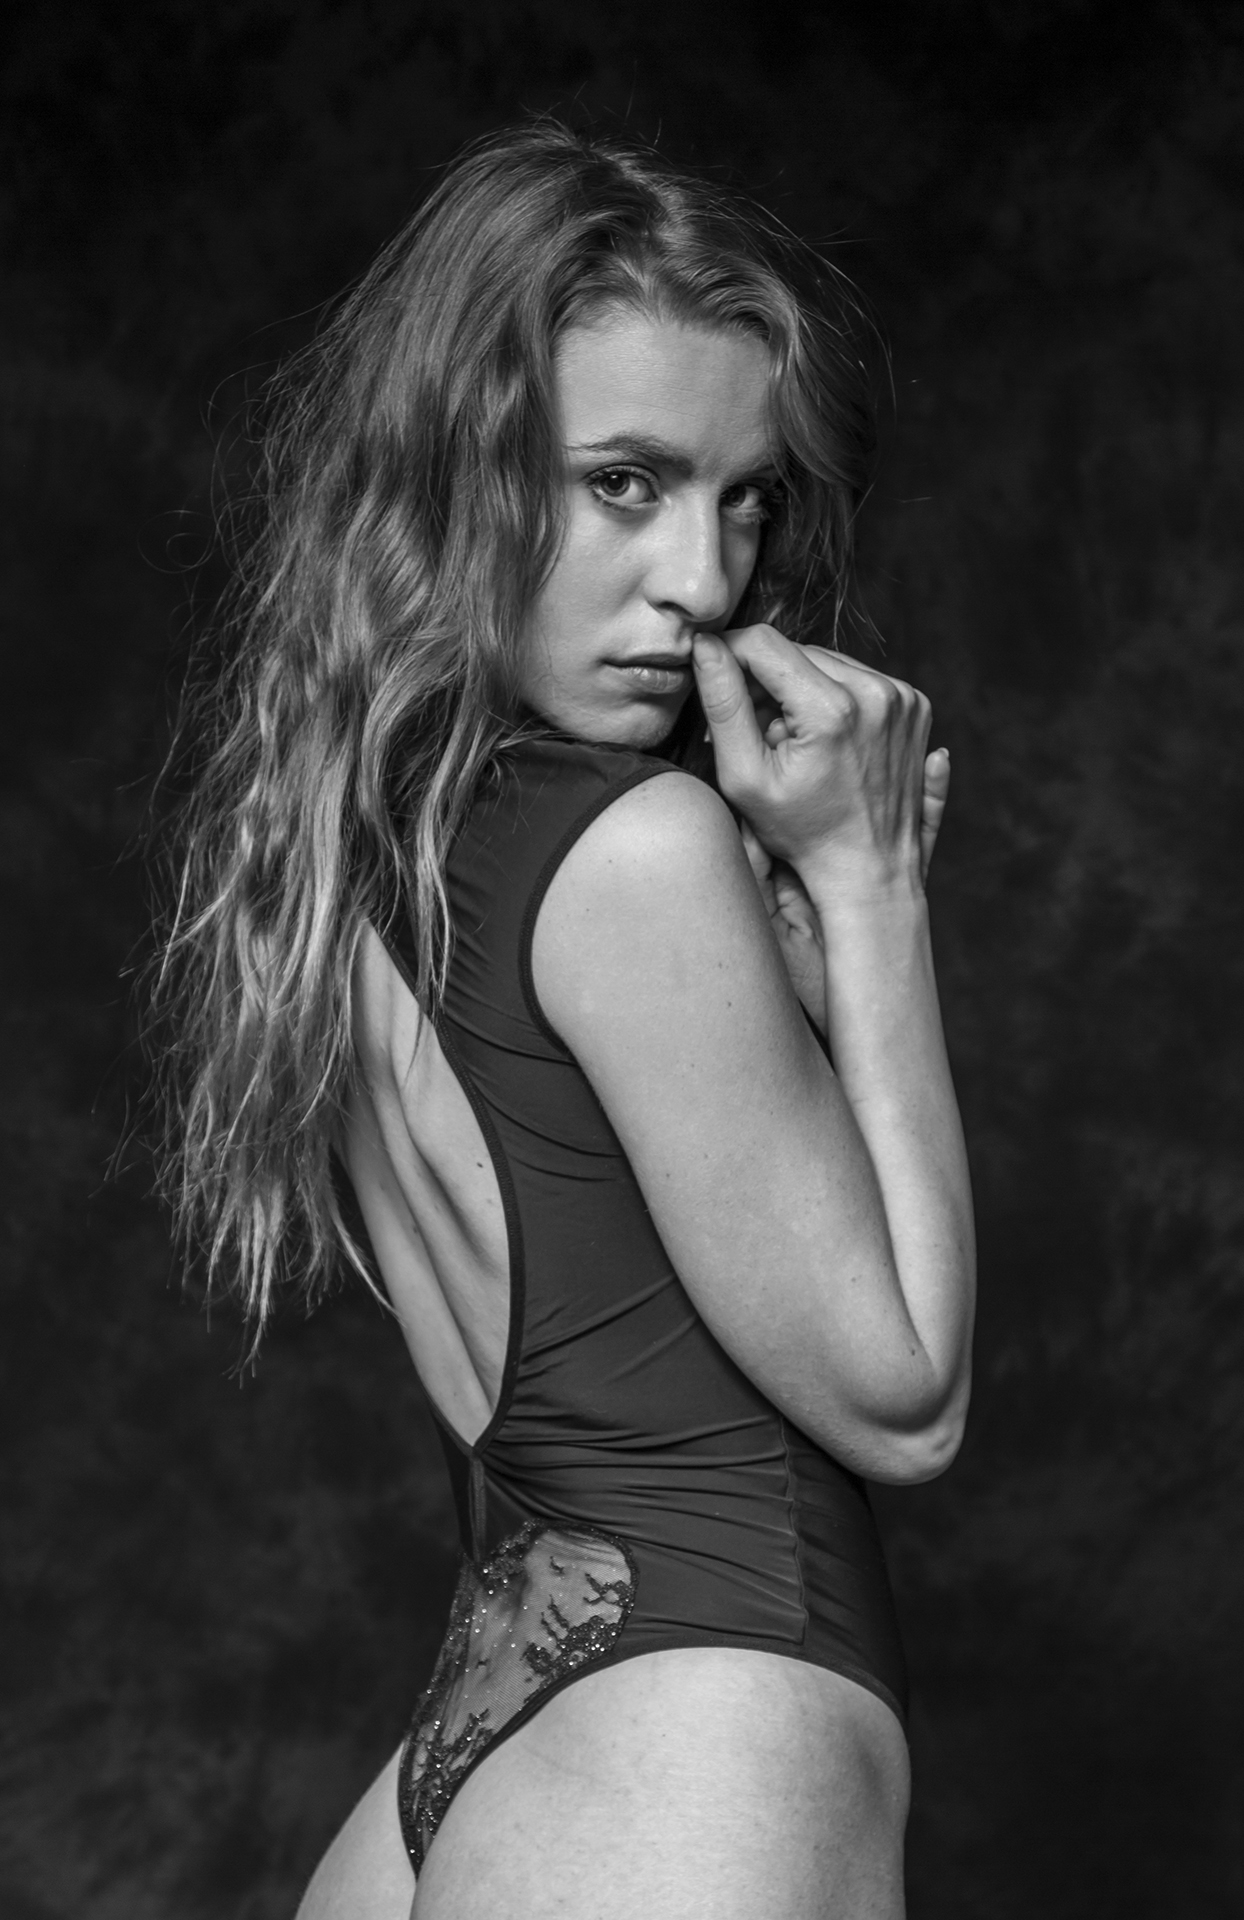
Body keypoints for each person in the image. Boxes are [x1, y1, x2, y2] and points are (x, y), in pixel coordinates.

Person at [156, 121, 974, 1919]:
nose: (705, 580)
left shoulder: (353, 851)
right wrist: (872, 893)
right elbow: (905, 1395)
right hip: (702, 1714)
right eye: (623, 482)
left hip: (478, 1744)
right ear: (453, 470)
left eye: (744, 498)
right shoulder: (637, 849)